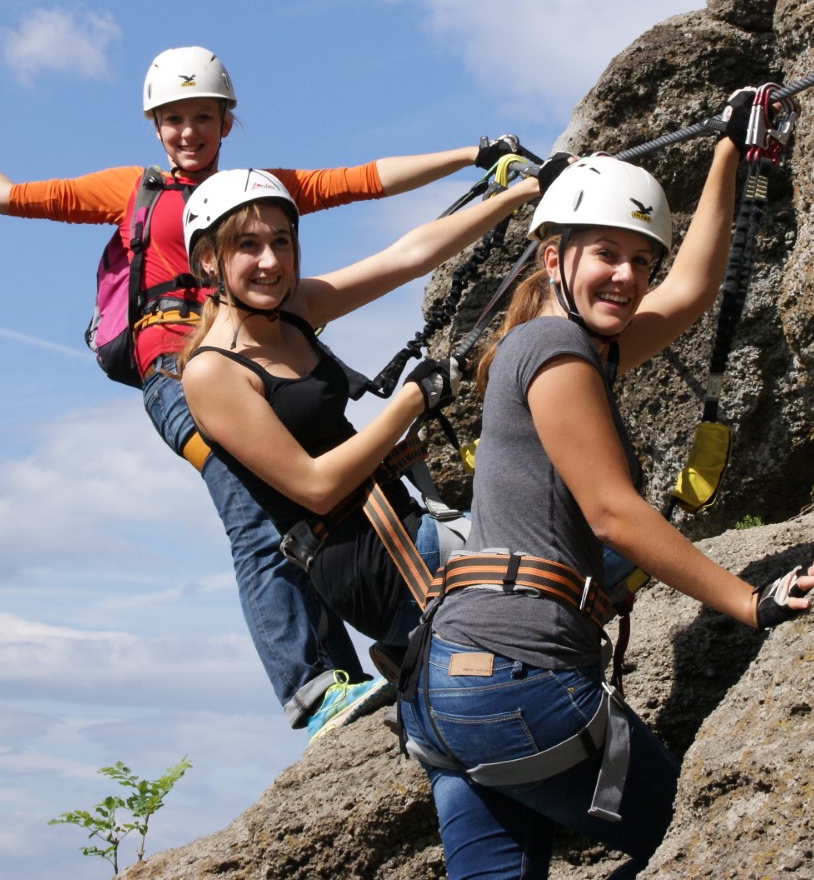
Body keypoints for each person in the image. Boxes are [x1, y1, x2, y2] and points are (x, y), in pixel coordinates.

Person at [0, 45, 521, 739]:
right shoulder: (132, 191)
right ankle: (315, 688)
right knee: (255, 513)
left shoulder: (254, 200)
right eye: (172, 119)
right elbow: (7, 196)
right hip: (177, 373)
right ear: (155, 126)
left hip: (255, 351)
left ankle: (375, 656)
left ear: (227, 122)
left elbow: (363, 182)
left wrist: (474, 155)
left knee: (303, 506)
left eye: (201, 117)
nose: (187, 132)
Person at [395, 119, 814, 878]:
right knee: (709, 848)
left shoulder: (551, 348)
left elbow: (692, 293)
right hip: (517, 677)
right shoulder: (554, 349)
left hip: (446, 692)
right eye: (605, 253)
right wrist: (751, 602)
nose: (628, 277)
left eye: (641, 260)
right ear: (553, 257)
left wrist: (727, 153)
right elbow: (611, 512)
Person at [174, 166, 550, 724]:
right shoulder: (212, 373)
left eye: (282, 242)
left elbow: (408, 257)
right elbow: (316, 486)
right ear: (209, 259)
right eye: (247, 246)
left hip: (404, 526)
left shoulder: (294, 311)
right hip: (369, 562)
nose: (271, 262)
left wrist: (524, 193)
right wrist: (407, 404)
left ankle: (422, 664)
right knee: (568, 585)